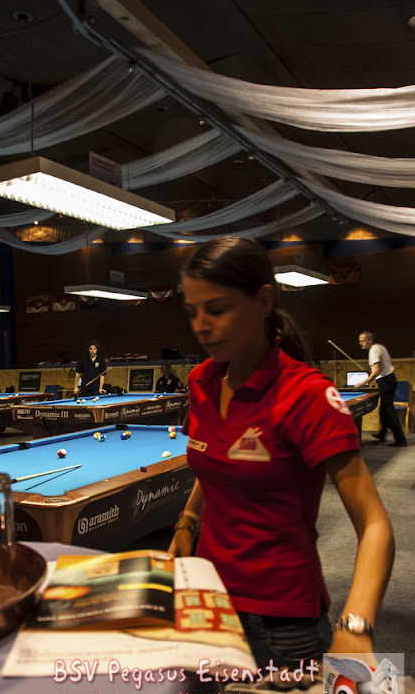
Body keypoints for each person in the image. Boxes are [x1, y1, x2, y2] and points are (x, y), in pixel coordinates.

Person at [169, 237, 394, 672]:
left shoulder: (307, 395)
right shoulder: (201, 381)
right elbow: (218, 463)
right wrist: (187, 521)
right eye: (192, 311)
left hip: (284, 625)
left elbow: (375, 524)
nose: (201, 326)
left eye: (217, 309)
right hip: (207, 603)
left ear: (263, 301)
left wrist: (356, 625)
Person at [356, 330, 407, 448]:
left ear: (370, 340)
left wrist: (364, 383)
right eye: (360, 341)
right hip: (389, 379)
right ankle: (382, 434)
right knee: (384, 410)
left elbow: (377, 371)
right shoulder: (379, 347)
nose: (360, 343)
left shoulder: (374, 351)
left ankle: (401, 440)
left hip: (385, 381)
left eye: (363, 341)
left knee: (389, 410)